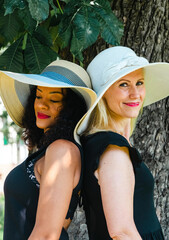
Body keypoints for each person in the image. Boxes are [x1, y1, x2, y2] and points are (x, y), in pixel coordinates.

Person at [75, 46, 169, 239]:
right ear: (103, 93)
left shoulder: (108, 142)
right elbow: (121, 232)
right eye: (124, 84)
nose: (135, 94)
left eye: (139, 82)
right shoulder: (112, 149)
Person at [0, 60, 96, 240]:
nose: (41, 105)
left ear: (71, 108)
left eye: (54, 99)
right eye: (38, 96)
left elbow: (47, 235)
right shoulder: (49, 149)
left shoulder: (63, 151)